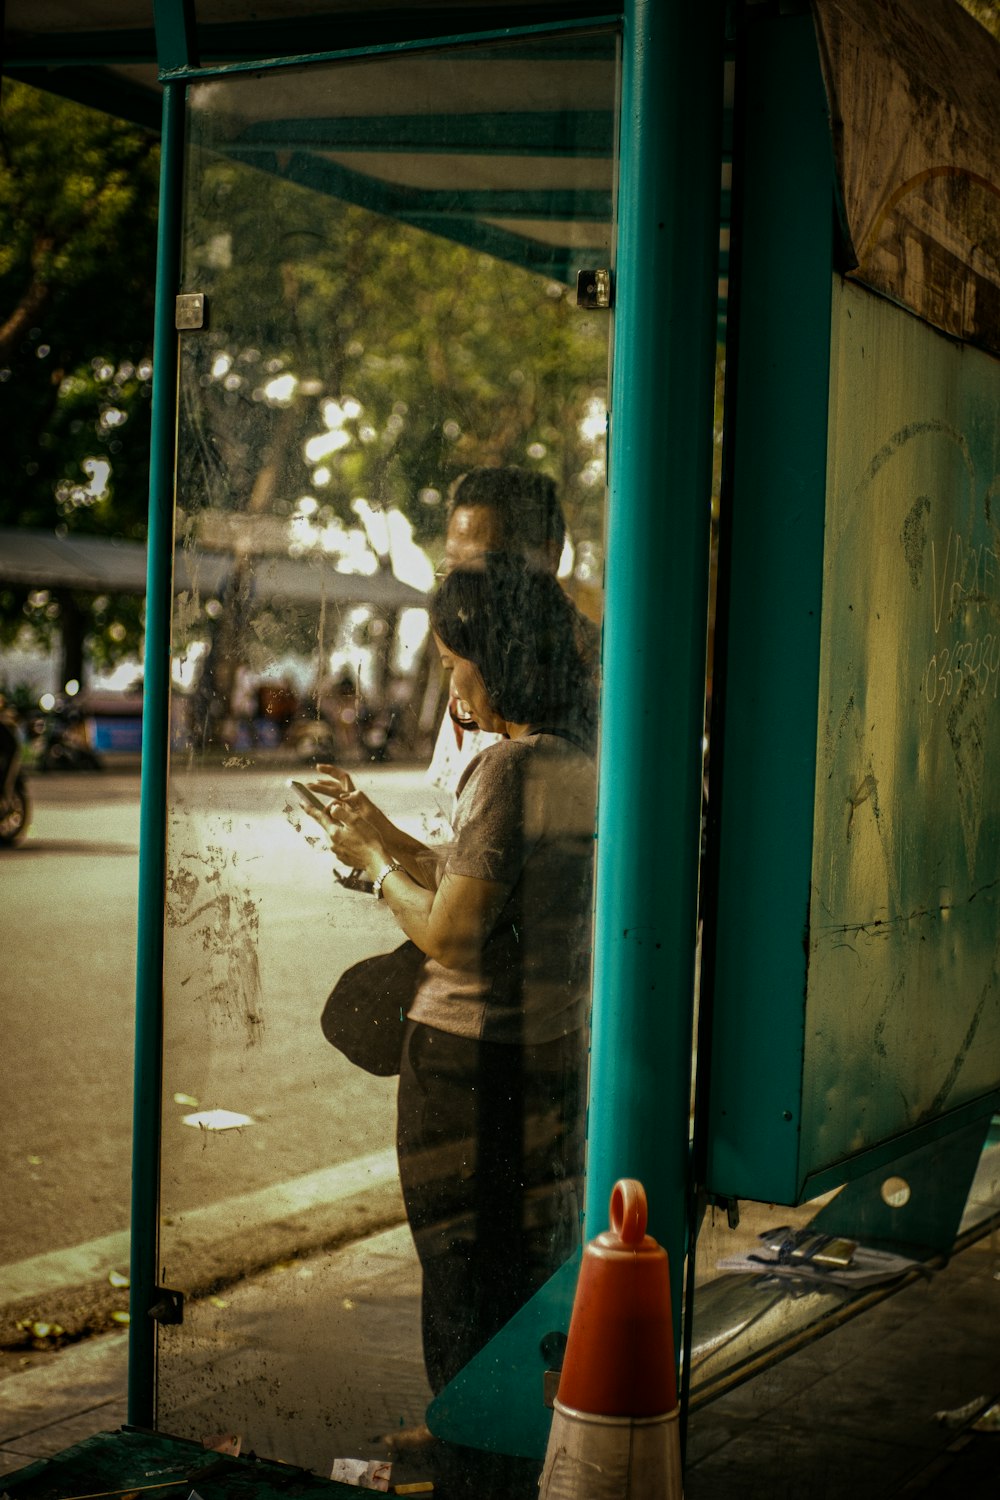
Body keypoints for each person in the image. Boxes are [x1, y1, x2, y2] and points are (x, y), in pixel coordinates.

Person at [306, 554, 598, 1397]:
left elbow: (455, 932)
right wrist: (385, 833)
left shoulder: (507, 768)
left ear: (492, 655)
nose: (449, 679)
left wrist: (372, 865)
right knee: (513, 1277)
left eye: (450, 660)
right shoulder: (572, 759)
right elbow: (486, 876)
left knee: (462, 1285)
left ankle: (472, 1459)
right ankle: (501, 1451)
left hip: (463, 1068)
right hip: (539, 1050)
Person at [426, 465, 600, 820]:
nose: (458, 588)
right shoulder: (469, 670)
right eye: (452, 568)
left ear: (547, 558)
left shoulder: (599, 673)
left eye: (480, 567)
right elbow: (460, 834)